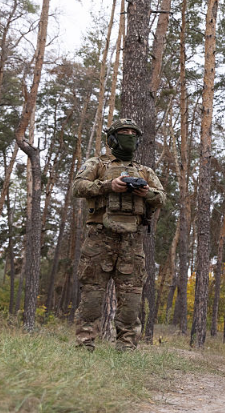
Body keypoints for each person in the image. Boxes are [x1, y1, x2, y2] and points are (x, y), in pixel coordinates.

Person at [72, 118, 165, 351]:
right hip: (99, 238)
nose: (129, 137)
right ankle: (84, 346)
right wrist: (108, 186)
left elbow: (162, 197)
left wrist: (146, 192)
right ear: (112, 138)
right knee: (92, 294)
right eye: (124, 133)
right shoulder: (97, 164)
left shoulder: (144, 171)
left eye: (133, 134)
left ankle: (126, 348)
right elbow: (78, 187)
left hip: (132, 241)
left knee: (131, 298)